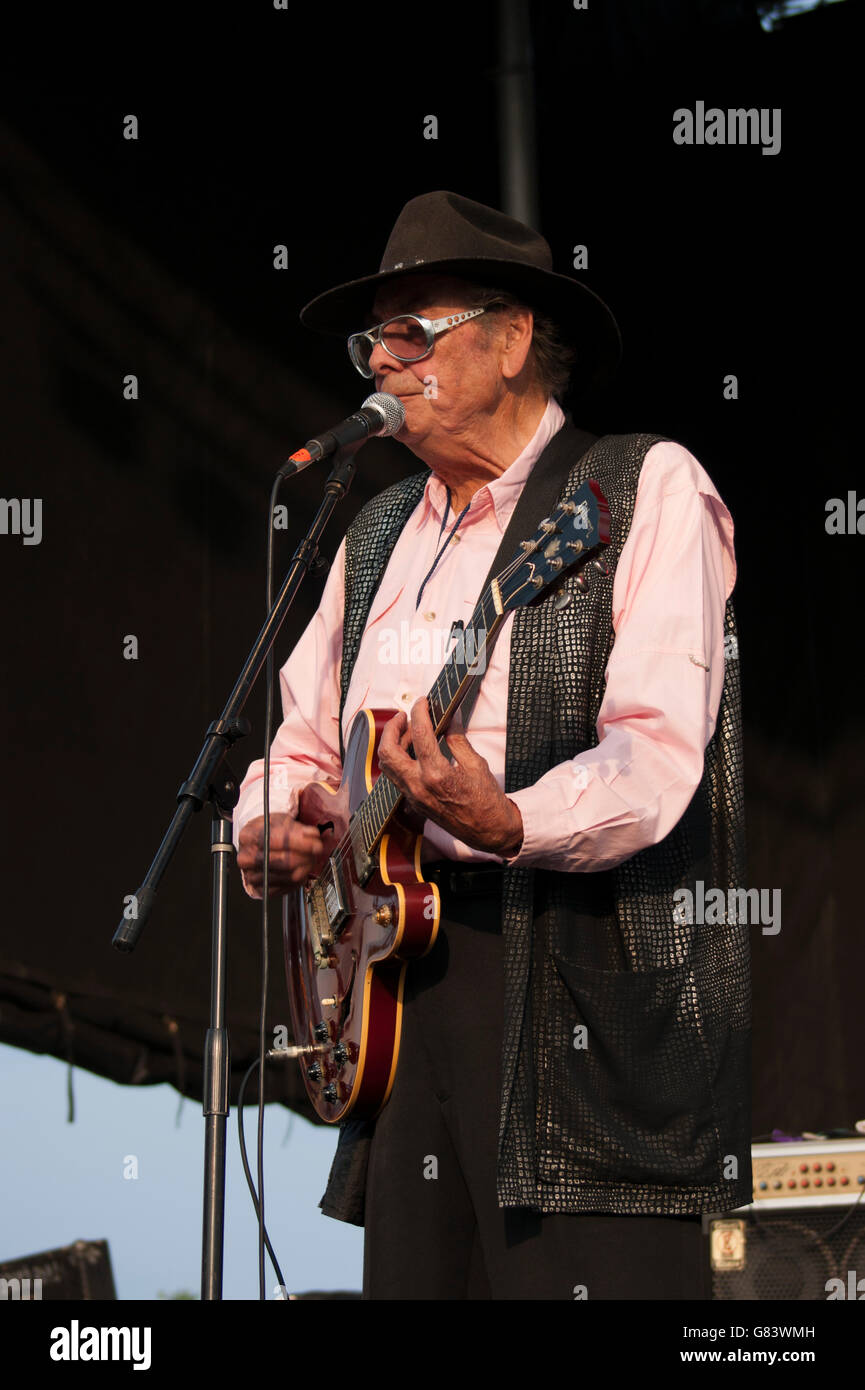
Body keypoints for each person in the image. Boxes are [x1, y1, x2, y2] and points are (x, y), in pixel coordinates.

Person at [233, 190, 752, 1300]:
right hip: (402, 996)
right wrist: (271, 817)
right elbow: (302, 738)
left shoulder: (643, 486)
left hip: (585, 1003)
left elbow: (657, 755)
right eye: (370, 335)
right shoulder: (373, 532)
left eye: (411, 328)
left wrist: (511, 817)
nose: (379, 357)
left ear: (512, 338)